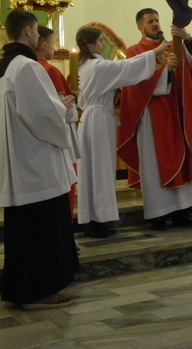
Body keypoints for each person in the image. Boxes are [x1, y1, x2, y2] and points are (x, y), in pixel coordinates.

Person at [0, 10, 78, 309]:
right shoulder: (27, 66)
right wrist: (64, 109)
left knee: (24, 233)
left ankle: (22, 289)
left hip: (19, 163)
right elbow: (43, 117)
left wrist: (54, 107)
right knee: (42, 230)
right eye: (37, 31)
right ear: (28, 30)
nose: (39, 36)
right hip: (37, 164)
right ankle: (42, 291)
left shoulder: (3, 68)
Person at [117, 8, 192, 230]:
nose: (155, 24)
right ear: (140, 27)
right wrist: (165, 71)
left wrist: (186, 38)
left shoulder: (173, 45)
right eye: (150, 21)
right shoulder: (134, 51)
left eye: (157, 20)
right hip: (154, 117)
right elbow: (134, 84)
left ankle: (182, 214)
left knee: (183, 160)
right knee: (154, 164)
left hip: (178, 113)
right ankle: (158, 215)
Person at [75, 27, 170, 238]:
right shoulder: (98, 66)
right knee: (101, 170)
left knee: (91, 172)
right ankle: (99, 221)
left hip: (90, 118)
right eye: (100, 41)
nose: (103, 44)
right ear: (90, 44)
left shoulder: (85, 65)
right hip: (98, 120)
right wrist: (155, 52)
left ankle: (93, 219)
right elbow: (127, 67)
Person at [35, 26, 80, 217]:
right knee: (66, 184)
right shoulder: (50, 70)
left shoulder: (28, 68)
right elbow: (66, 113)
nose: (54, 48)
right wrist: (74, 97)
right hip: (62, 138)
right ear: (44, 45)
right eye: (53, 43)